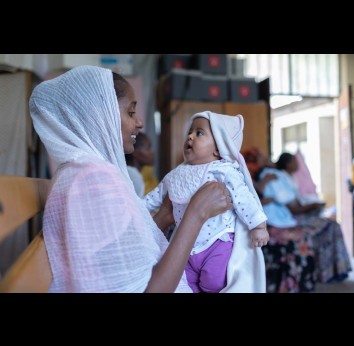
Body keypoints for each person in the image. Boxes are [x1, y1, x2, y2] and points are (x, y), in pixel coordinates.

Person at [29, 65, 232, 293]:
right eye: (131, 112)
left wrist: (164, 217)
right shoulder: (93, 178)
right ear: (101, 115)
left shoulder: (82, 171)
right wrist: (196, 214)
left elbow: (119, 254)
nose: (139, 123)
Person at [145, 111, 269, 293]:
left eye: (199, 133)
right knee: (185, 284)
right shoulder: (176, 173)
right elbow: (155, 196)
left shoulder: (224, 170)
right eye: (190, 131)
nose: (190, 136)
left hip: (217, 242)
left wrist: (258, 226)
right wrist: (138, 206)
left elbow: (244, 199)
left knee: (214, 283)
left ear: (219, 148)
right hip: (185, 243)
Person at [259, 152, 352, 285]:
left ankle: (335, 271)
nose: (297, 164)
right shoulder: (271, 177)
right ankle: (324, 274)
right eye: (293, 161)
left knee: (331, 226)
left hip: (289, 217)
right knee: (328, 228)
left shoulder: (286, 178)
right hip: (287, 219)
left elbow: (292, 203)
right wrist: (312, 206)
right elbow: (291, 207)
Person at [243, 147, 317, 293]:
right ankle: (288, 285)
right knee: (298, 240)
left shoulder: (269, 174)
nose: (266, 160)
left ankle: (297, 284)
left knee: (304, 239)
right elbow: (251, 201)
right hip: (264, 221)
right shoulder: (251, 175)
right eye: (261, 158)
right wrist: (265, 189)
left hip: (272, 217)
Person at [125, 132, 157, 197]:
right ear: (135, 152)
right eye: (148, 148)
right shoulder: (134, 176)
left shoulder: (130, 172)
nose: (152, 152)